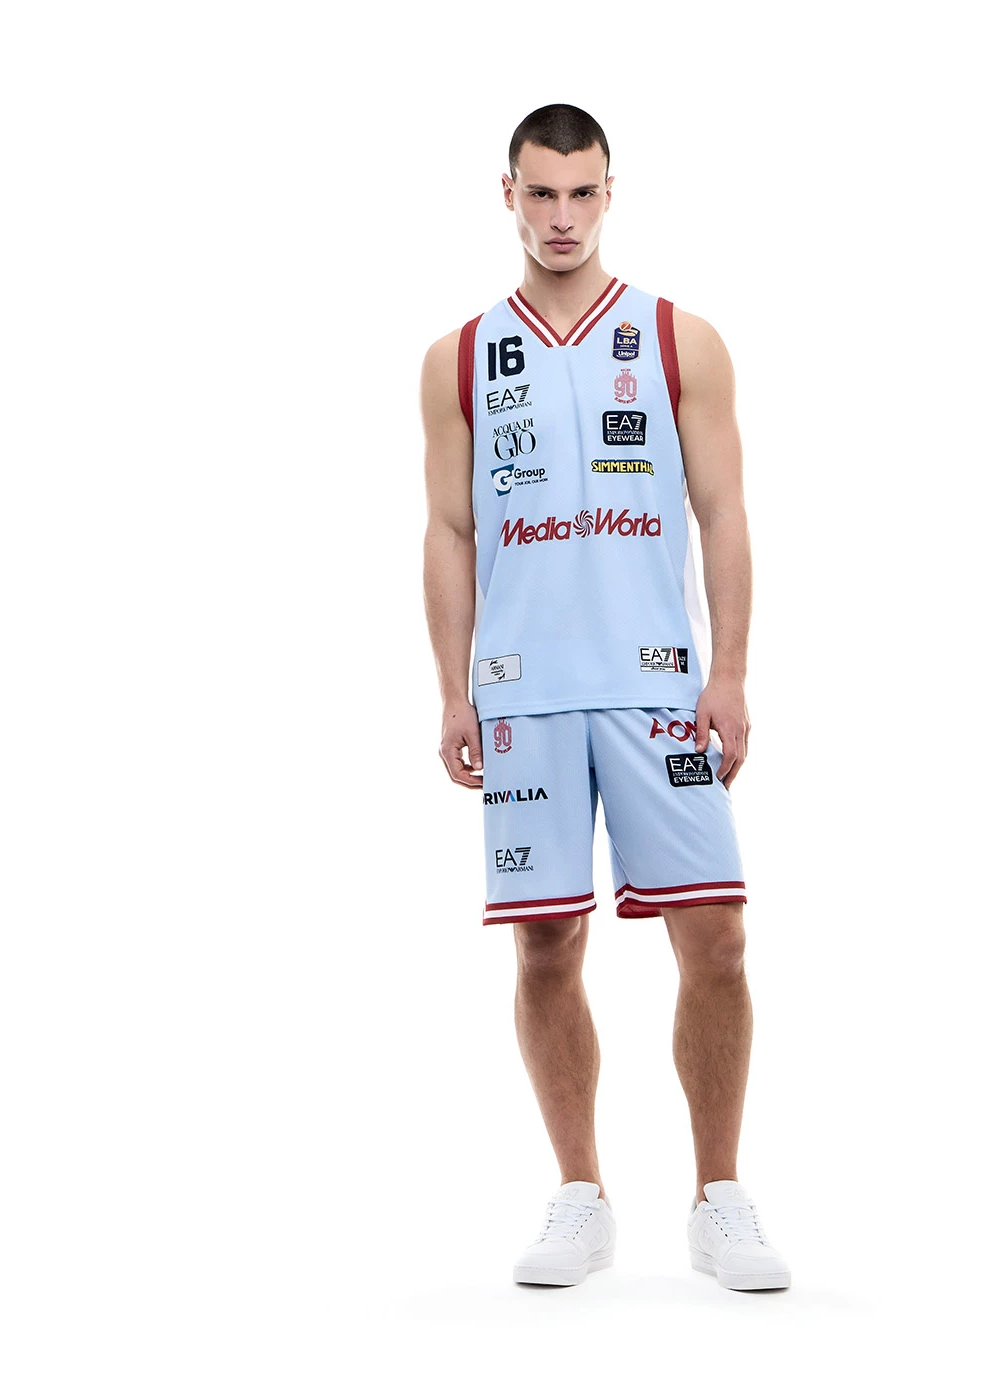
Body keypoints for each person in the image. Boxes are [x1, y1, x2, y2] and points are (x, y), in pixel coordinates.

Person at [420, 103, 790, 1292]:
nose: (561, 217)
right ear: (508, 194)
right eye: (541, 193)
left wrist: (728, 669)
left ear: (608, 194)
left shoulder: (678, 338)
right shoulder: (461, 356)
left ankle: (717, 1195)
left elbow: (721, 511)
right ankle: (579, 1194)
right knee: (544, 943)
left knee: (715, 936)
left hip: (655, 689)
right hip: (524, 694)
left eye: (581, 193)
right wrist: (453, 692)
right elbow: (448, 529)